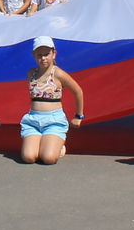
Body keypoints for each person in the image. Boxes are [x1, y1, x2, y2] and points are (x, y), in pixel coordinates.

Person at [20, 36, 85, 166]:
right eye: (39, 55)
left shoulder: (58, 74)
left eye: (46, 54)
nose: (43, 58)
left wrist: (79, 116)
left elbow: (78, 91)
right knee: (28, 157)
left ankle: (58, 147)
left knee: (48, 158)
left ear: (53, 54)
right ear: (34, 55)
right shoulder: (31, 73)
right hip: (33, 120)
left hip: (54, 121)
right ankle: (41, 144)